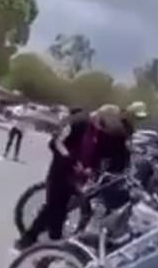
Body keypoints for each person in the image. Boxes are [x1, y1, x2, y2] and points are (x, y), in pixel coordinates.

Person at [15, 104, 129, 250]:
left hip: (77, 175)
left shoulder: (99, 131)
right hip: (61, 170)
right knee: (55, 207)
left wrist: (90, 168)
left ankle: (36, 241)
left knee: (58, 208)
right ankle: (43, 242)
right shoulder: (78, 122)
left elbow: (97, 153)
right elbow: (56, 143)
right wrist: (71, 161)